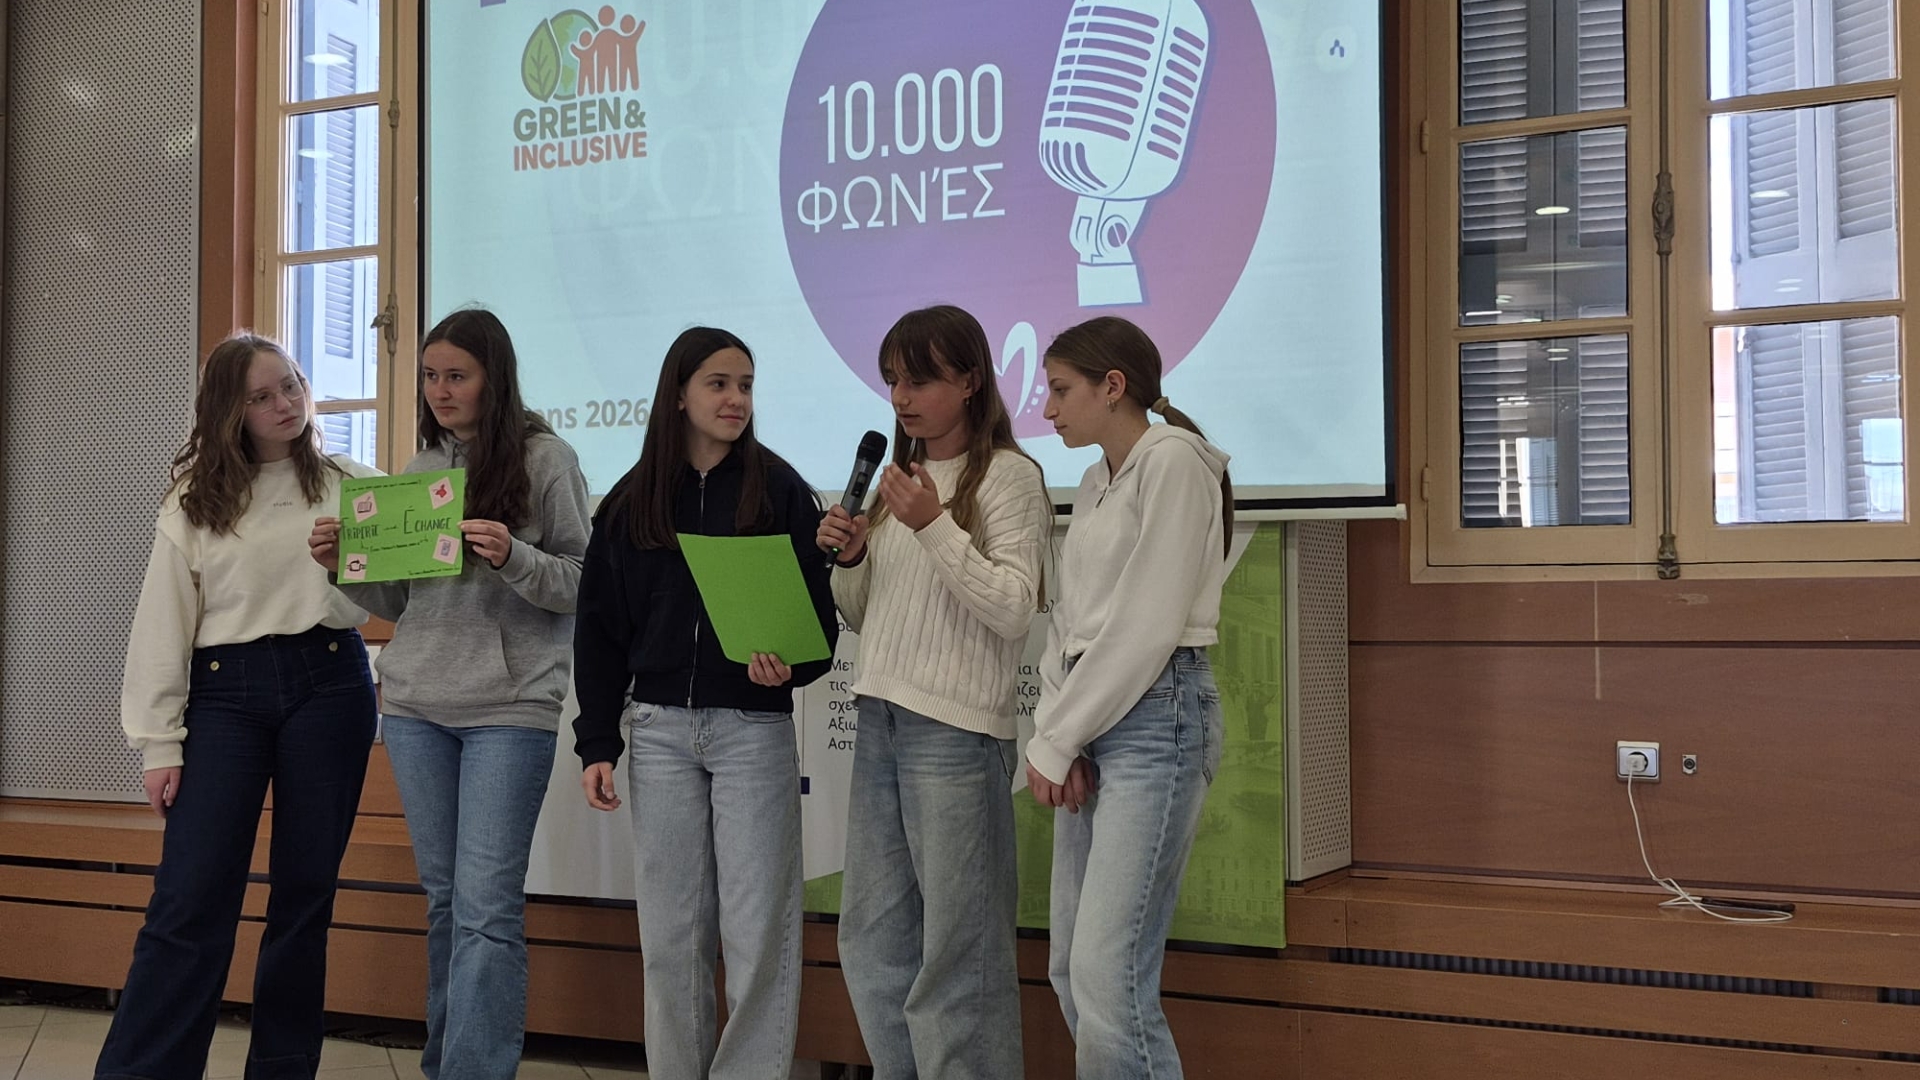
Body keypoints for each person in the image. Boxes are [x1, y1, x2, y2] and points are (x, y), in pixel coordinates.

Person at [308, 308, 589, 1080]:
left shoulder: (547, 459)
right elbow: (404, 601)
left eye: (456, 375)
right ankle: (446, 1065)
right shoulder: (421, 466)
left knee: (486, 907)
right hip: (415, 709)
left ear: (494, 378)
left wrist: (514, 556)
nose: (440, 389)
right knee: (445, 901)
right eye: (431, 376)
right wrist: (345, 566)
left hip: (509, 708)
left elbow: (584, 582)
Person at [98, 334, 379, 1080]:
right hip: (225, 694)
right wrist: (159, 742)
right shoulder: (194, 501)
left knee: (304, 898)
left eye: (290, 385)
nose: (285, 404)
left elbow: (411, 580)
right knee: (189, 897)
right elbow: (162, 624)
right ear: (230, 411)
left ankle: (282, 1069)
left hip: (332, 684)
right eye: (261, 396)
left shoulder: (355, 483)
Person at [573, 327, 837, 1079]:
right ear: (679, 395)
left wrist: (788, 666)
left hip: (752, 727)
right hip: (657, 731)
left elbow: (818, 626)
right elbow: (599, 632)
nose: (736, 399)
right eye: (719, 384)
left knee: (758, 934)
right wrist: (598, 742)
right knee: (672, 936)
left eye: (746, 385)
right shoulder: (630, 501)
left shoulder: (781, 489)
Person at [814, 304, 1050, 1079]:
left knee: (959, 951)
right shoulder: (895, 487)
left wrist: (934, 526)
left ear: (971, 380)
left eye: (919, 380)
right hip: (880, 715)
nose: (901, 397)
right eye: (892, 380)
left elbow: (1013, 609)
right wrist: (854, 558)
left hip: (955, 734)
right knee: (871, 939)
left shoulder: (1011, 477)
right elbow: (865, 616)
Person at [1025, 315, 1233, 1080]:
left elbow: (1147, 625)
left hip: (1158, 715)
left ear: (1113, 387)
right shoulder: (1095, 481)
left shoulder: (1173, 462)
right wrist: (1061, 732)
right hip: (1096, 715)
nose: (1048, 409)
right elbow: (1070, 625)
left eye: (1060, 390)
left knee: (1108, 976)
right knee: (1072, 969)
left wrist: (1058, 738)